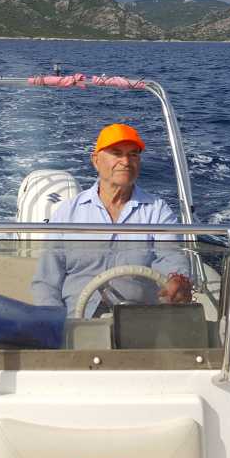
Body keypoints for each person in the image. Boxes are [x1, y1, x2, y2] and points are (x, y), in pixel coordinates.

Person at [31, 123, 193, 317]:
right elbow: (47, 281)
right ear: (96, 160)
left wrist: (176, 277)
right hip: (77, 321)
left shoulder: (157, 210)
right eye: (117, 153)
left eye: (133, 154)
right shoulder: (67, 213)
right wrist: (53, 323)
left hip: (138, 319)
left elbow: (170, 256)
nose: (126, 161)